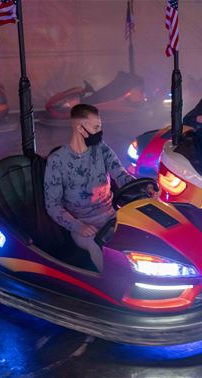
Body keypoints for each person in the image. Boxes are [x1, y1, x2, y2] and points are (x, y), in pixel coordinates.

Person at [44, 104, 153, 273]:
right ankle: (113, 287)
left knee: (143, 235)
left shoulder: (101, 149)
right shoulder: (57, 161)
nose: (100, 132)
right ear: (80, 128)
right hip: (83, 224)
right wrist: (78, 226)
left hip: (112, 214)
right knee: (98, 245)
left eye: (100, 127)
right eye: (96, 127)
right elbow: (53, 206)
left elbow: (121, 175)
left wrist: (143, 188)